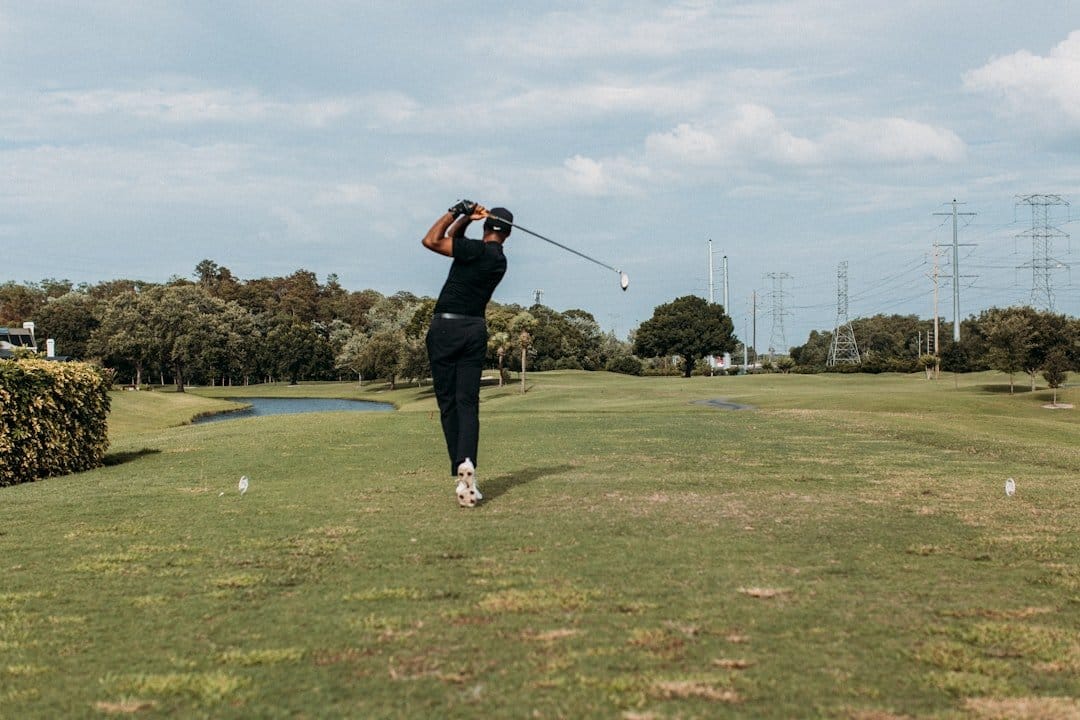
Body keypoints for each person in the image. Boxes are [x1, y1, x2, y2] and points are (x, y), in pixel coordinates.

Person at [422, 200, 513, 507]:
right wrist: (466, 220)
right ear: (507, 235)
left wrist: (456, 211)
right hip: (474, 330)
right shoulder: (499, 260)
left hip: (445, 328)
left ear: (486, 226)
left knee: (448, 404)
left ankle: (460, 468)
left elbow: (431, 240)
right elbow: (456, 241)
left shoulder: (473, 250)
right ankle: (467, 466)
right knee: (467, 403)